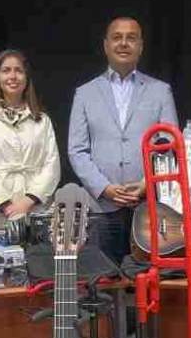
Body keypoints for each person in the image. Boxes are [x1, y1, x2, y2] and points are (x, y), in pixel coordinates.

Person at [67, 16, 179, 263]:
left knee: (150, 281)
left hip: (149, 204)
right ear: (105, 45)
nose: (124, 43)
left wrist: (146, 183)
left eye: (131, 38)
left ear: (141, 46)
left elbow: (169, 146)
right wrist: (104, 188)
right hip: (102, 207)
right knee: (107, 283)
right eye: (117, 37)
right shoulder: (85, 93)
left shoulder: (161, 91)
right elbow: (77, 150)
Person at [0, 49, 60, 229]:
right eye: (6, 70)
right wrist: (5, 204)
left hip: (35, 208)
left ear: (26, 78)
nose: (13, 76)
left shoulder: (42, 120)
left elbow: (52, 165)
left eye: (18, 70)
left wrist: (28, 201)